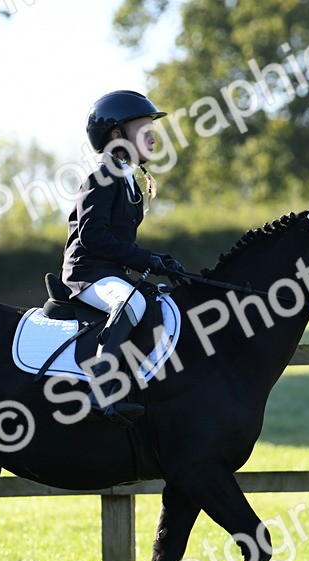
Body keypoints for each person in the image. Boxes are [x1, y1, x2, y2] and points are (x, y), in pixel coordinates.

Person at [61, 90, 184, 426]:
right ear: (117, 135)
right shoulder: (102, 176)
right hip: (87, 274)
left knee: (157, 301)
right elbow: (93, 236)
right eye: (144, 130)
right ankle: (100, 388)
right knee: (131, 302)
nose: (153, 137)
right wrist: (146, 259)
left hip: (110, 273)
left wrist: (157, 259)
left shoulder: (128, 178)